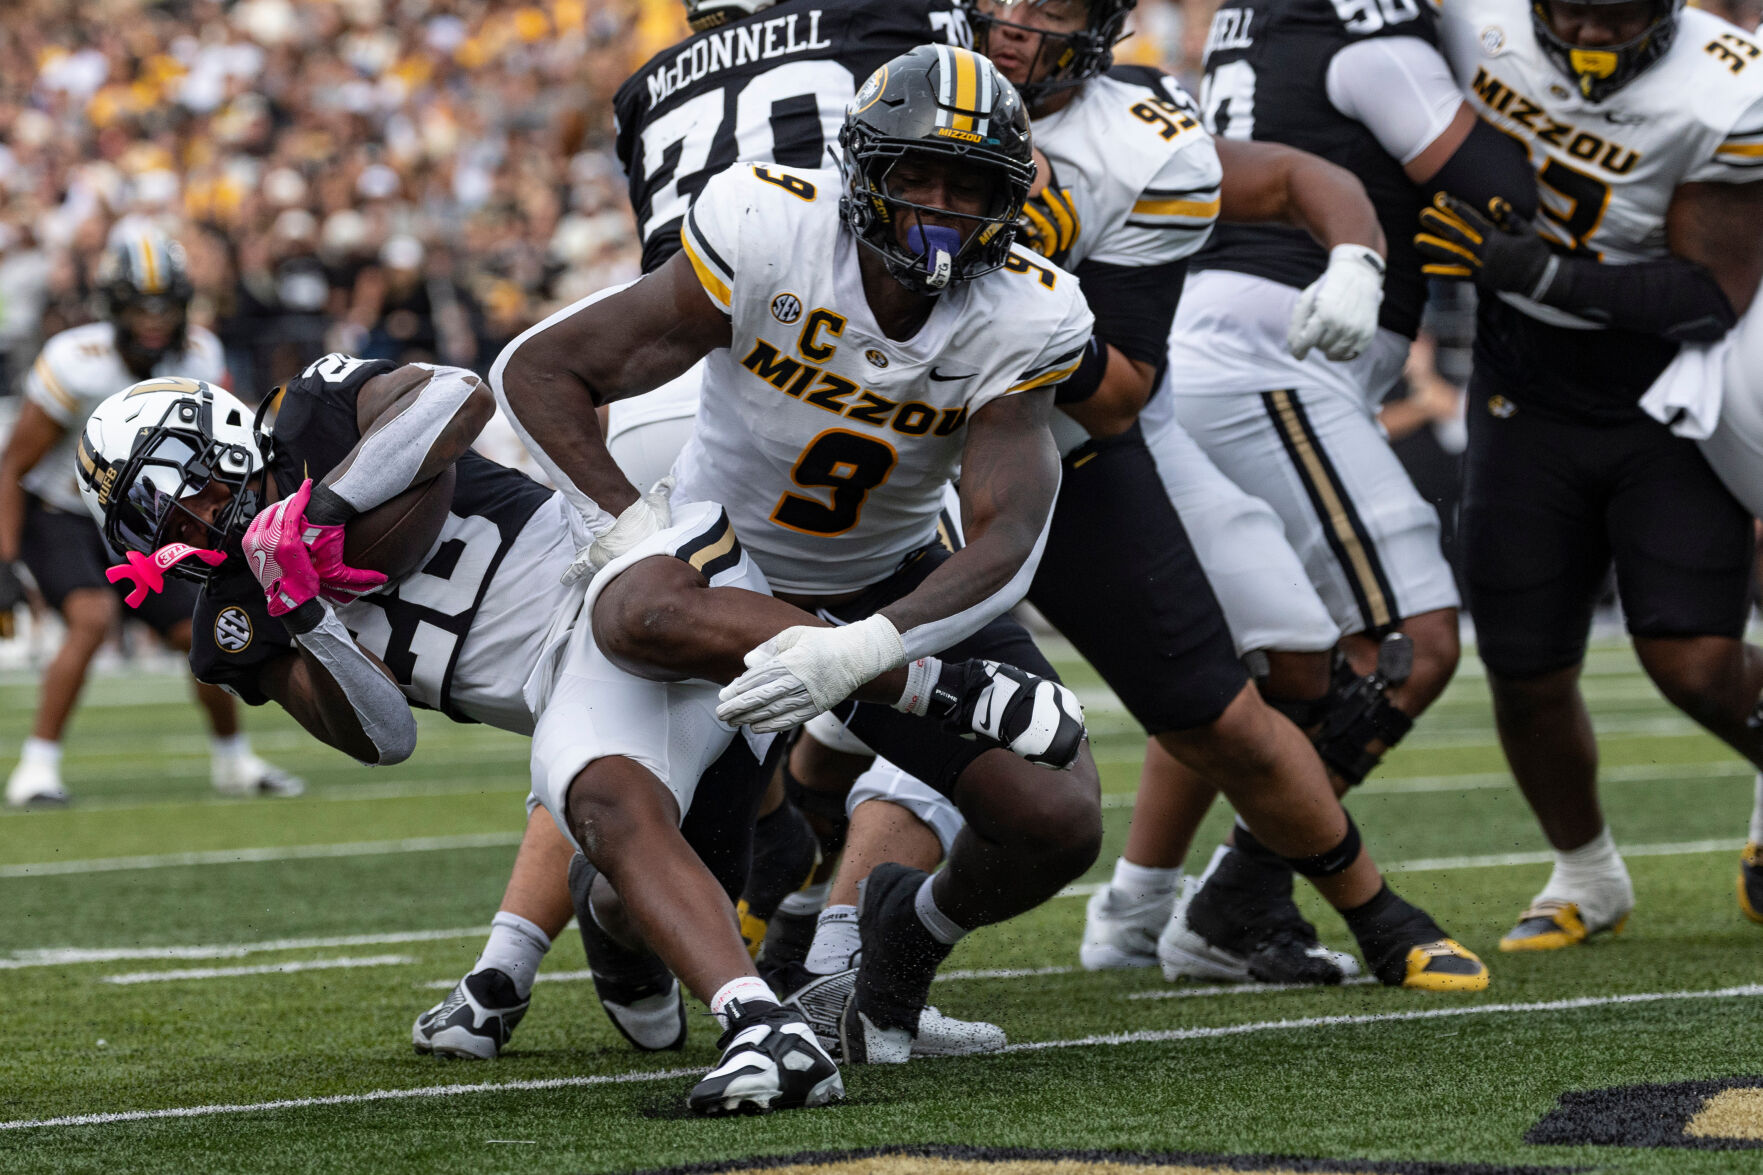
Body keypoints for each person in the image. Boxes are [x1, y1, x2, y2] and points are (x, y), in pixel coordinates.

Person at [759, 0, 1490, 1023]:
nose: (1017, 22)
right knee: (944, 708)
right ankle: (828, 936)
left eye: (1051, 5)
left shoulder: (1138, 139)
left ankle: (1301, 905)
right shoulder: (885, 72)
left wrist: (1355, 257)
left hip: (1061, 435)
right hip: (884, 435)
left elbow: (1121, 385)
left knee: (1278, 661)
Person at [492, 46, 1101, 1069]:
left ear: (1009, 200)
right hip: (726, 573)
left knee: (1054, 814)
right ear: (864, 171)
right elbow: (542, 367)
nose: (941, 205)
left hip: (889, 577)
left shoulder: (1028, 313)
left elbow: (1005, 530)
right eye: (917, 174)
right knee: (730, 863)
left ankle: (895, 956)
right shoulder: (771, 227)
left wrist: (869, 644)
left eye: (969, 185)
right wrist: (635, 534)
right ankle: (609, 919)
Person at [419, 0, 984, 1059]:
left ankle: (505, 968)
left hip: (656, 389)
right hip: (800, 389)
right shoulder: (885, 30)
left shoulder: (654, 83)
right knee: (915, 662)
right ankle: (840, 975)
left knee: (617, 712)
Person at [73, 357, 850, 1112]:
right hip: (577, 697)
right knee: (633, 886)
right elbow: (384, 738)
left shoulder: (315, 414)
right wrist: (306, 612)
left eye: (195, 486)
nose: (198, 518)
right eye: (162, 519)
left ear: (223, 435)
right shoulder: (234, 625)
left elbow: (457, 395)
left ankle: (932, 693)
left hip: (610, 579)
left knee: (797, 685)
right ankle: (613, 923)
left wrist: (326, 511)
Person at [1072, 0, 1546, 983]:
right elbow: (1500, 188)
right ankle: (1237, 894)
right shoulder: (1365, 42)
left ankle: (1134, 901)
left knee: (1239, 671)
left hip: (1224, 346)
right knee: (1408, 641)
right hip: (1277, 357)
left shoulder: (1257, 29)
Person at [1416, 0, 1763, 949]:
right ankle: (1586, 873)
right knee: (1524, 665)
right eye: (1572, 12)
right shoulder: (1470, 24)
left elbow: (1707, 296)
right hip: (1519, 389)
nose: (1591, 38)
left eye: (1615, 17)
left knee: (1693, 662)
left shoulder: (1729, 81)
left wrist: (1531, 271)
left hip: (1667, 396)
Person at [0, 230, 298, 807]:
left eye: (166, 307)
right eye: (140, 307)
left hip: (151, 520)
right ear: (113, 307)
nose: (154, 321)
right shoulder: (75, 361)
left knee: (201, 629)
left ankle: (234, 761)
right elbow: (13, 464)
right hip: (64, 511)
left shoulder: (200, 353)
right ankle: (37, 766)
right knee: (92, 616)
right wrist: (6, 558)